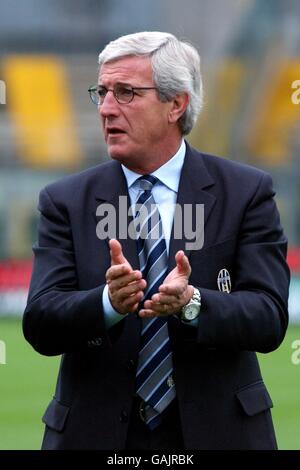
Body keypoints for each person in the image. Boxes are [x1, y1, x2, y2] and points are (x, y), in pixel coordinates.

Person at [23, 31, 290, 450]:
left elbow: (270, 317)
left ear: (176, 104)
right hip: (95, 437)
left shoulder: (246, 192)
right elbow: (40, 321)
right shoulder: (65, 201)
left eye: (126, 92)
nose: (107, 109)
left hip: (220, 434)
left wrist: (193, 304)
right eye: (103, 92)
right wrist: (107, 304)